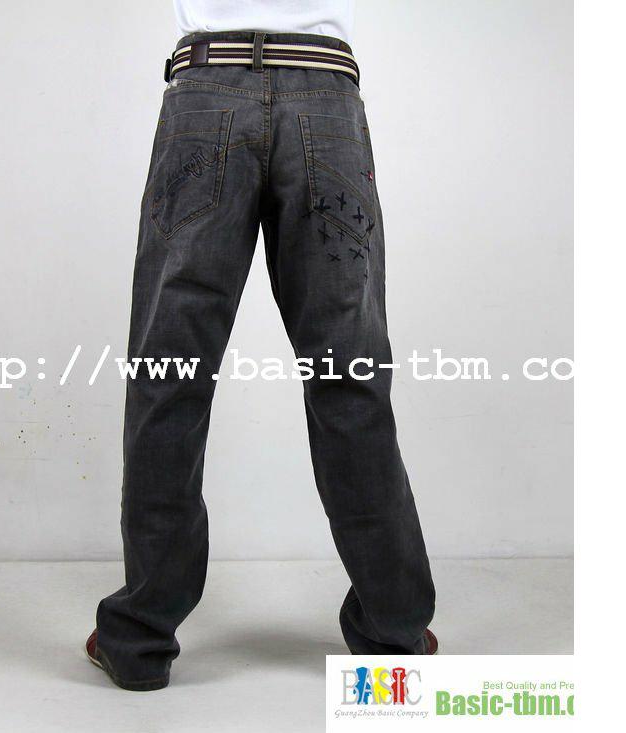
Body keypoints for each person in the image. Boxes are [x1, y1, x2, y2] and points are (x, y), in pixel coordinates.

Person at [86, 0, 437, 691]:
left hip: (206, 91)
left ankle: (139, 638)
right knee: (349, 376)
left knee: (169, 374)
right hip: (325, 103)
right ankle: (393, 632)